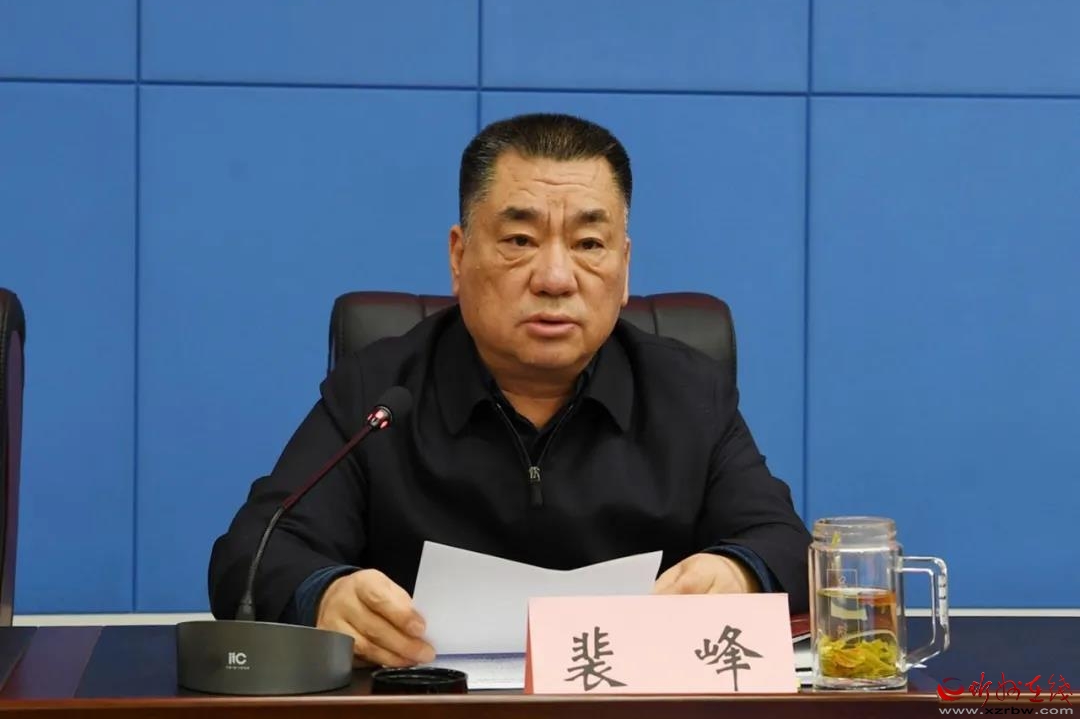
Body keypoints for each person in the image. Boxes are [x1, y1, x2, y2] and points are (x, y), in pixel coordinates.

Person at [210, 113, 811, 669]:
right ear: (459, 255)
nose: (555, 278)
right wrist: (325, 596)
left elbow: (785, 544)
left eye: (589, 244)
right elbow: (251, 554)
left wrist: (739, 574)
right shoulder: (380, 393)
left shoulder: (688, 393)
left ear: (624, 267)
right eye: (520, 240)